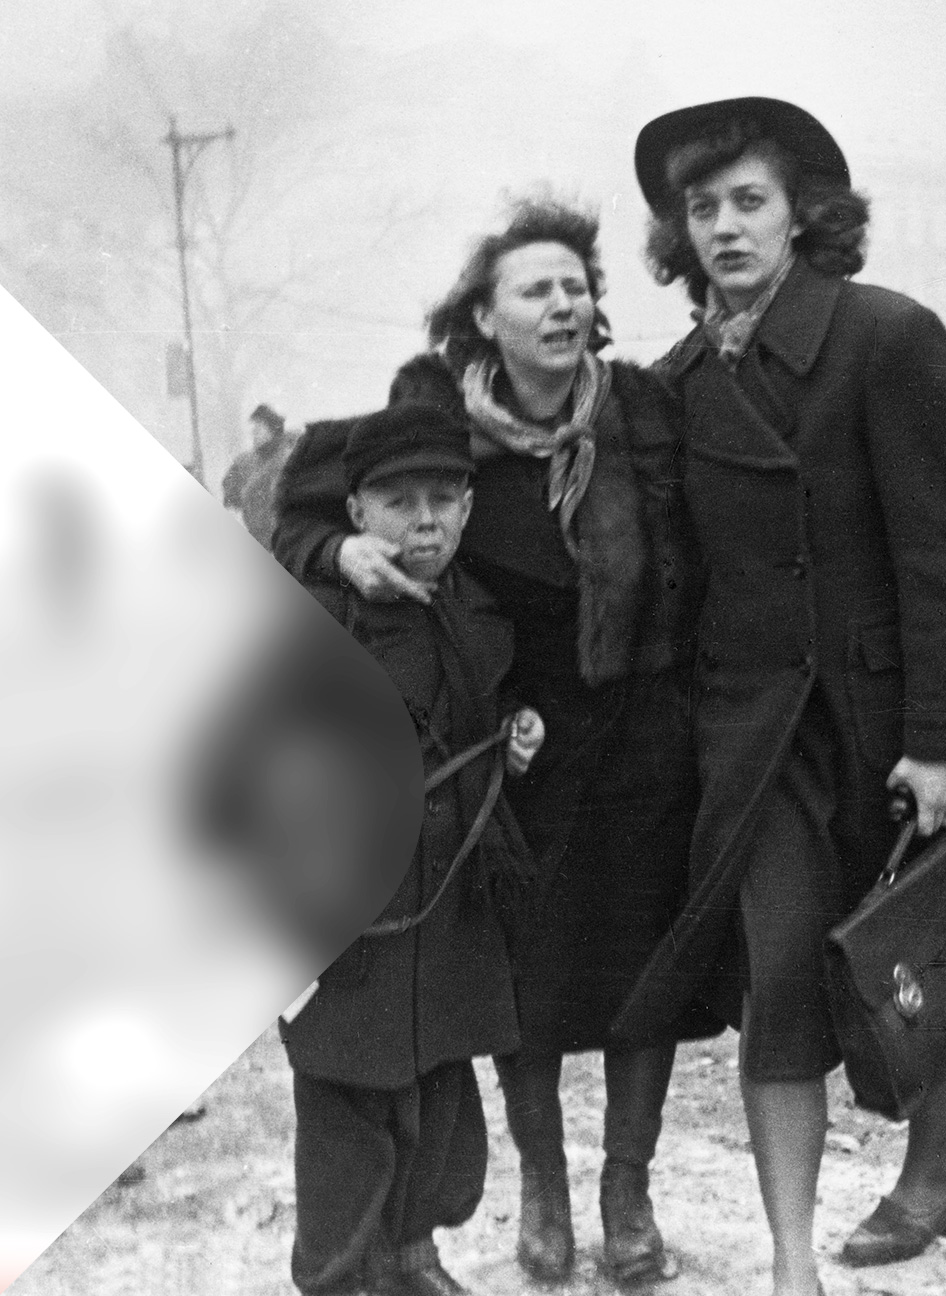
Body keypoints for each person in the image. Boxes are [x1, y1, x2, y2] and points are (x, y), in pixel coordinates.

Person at [272, 198, 720, 1285]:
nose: (563, 303)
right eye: (536, 287)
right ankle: (546, 1194)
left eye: (577, 285)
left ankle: (627, 1189)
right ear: (486, 312)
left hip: (643, 745)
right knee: (525, 988)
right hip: (508, 749)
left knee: (642, 981)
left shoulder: (647, 412)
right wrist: (340, 555)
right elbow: (303, 515)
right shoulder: (434, 418)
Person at [632, 98, 946, 1295]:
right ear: (680, 236)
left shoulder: (886, 338)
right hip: (756, 738)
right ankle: (793, 1263)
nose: (725, 227)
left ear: (802, 214)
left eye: (750, 200)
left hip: (886, 717)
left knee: (920, 946)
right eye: (702, 208)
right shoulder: (676, 380)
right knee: (783, 978)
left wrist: (941, 740)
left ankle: (931, 1166)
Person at [269, 402, 543, 1296]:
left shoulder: (478, 613)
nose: (424, 520)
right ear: (355, 514)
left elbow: (483, 713)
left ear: (468, 508)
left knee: (437, 1087)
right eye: (398, 502)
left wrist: (516, 734)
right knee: (348, 1099)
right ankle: (342, 1275)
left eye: (443, 498)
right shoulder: (310, 614)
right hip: (351, 904)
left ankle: (413, 1249)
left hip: (450, 891)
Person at [222, 403, 297, 548]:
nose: (253, 433)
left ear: (272, 431)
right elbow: (230, 493)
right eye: (253, 429)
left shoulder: (289, 459)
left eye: (258, 429)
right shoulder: (245, 461)